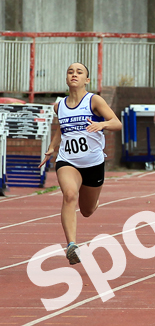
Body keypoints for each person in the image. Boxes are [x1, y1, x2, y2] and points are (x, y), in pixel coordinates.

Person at [39, 63, 122, 265]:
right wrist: (52, 147)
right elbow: (63, 128)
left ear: (87, 80)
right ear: (66, 79)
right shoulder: (59, 106)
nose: (74, 74)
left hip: (93, 163)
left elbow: (117, 123)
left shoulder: (94, 100)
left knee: (87, 210)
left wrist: (102, 124)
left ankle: (93, 202)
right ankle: (72, 246)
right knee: (69, 195)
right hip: (67, 160)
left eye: (79, 72)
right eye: (70, 72)